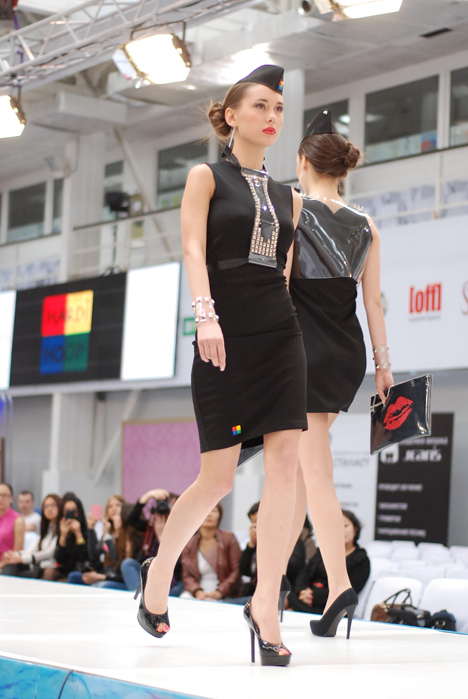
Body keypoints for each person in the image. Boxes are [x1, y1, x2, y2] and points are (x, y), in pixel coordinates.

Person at [135, 65, 307, 667]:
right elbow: (191, 247)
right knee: (219, 479)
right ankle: (159, 573)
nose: (272, 116)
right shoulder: (206, 176)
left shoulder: (291, 197)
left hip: (280, 337)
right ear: (231, 116)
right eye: (260, 106)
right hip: (223, 333)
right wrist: (204, 315)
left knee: (285, 466)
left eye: (278, 109)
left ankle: (265, 606)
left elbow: (284, 274)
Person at [286, 109, 394, 639]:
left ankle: (338, 587)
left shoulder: (292, 209)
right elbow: (373, 304)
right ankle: (277, 584)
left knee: (313, 471)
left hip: (302, 349)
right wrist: (384, 366)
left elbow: (280, 290)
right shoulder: (366, 225)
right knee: (299, 471)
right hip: (346, 353)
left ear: (303, 161)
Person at [288, 510, 370, 615]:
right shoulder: (323, 551)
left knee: (288, 610)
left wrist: (313, 596)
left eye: (345, 526)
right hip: (304, 598)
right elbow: (304, 573)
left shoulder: (362, 560)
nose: (341, 530)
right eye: (336, 526)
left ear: (355, 529)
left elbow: (349, 591)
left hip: (331, 607)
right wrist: (301, 591)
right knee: (282, 596)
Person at [120, 488, 183, 594]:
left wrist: (161, 537)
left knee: (178, 589)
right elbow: (131, 520)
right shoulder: (151, 526)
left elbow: (180, 565)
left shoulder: (183, 529)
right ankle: (141, 597)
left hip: (172, 578)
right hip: (149, 574)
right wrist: (146, 497)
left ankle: (147, 598)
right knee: (128, 563)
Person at [180, 502, 241, 601]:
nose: (209, 514)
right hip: (197, 592)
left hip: (223, 593)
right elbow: (187, 575)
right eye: (205, 510)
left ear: (220, 515)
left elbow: (236, 571)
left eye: (214, 511)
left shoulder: (229, 538)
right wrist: (197, 591)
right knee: (184, 599)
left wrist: (220, 591)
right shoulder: (190, 543)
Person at [67, 494, 127, 587]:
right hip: (105, 572)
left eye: (118, 505)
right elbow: (94, 556)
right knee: (73, 576)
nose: (114, 509)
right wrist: (91, 530)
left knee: (101, 585)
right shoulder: (107, 530)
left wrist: (108, 537)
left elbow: (117, 560)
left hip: (118, 577)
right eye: (110, 506)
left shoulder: (127, 532)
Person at [1, 494, 63, 580]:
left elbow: (49, 553)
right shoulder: (47, 529)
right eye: (46, 506)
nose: (49, 509)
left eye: (53, 505)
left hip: (52, 567)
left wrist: (21, 558)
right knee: (11, 565)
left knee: (14, 566)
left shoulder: (62, 528)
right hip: (38, 566)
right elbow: (32, 549)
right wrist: (13, 555)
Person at [55, 493, 89, 580]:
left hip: (81, 572)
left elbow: (83, 557)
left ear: (79, 511)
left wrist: (78, 534)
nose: (71, 513)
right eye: (67, 510)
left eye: (74, 510)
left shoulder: (87, 530)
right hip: (65, 571)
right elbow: (59, 560)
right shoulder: (62, 529)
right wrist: (63, 536)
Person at [0, 483, 25, 574]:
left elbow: (17, 551)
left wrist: (1, 564)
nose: (1, 498)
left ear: (11, 498)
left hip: (9, 563)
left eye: (4, 495)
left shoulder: (18, 520)